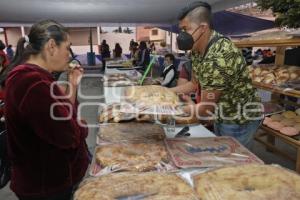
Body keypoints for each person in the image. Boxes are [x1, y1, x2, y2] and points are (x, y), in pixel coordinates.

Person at [3, 20, 89, 200]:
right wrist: (82, 125)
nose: (69, 56)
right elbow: (69, 135)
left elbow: (61, 111)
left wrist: (72, 84)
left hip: (46, 182)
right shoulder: (33, 83)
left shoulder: (35, 77)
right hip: (47, 187)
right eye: (67, 48)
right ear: (51, 46)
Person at [175, 1, 262, 148]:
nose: (182, 35)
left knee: (233, 163)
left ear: (202, 28)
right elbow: (193, 84)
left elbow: (206, 109)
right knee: (221, 152)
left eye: (186, 29)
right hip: (221, 113)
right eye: (181, 30)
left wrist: (165, 108)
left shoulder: (219, 57)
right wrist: (163, 92)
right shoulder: (197, 49)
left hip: (238, 119)